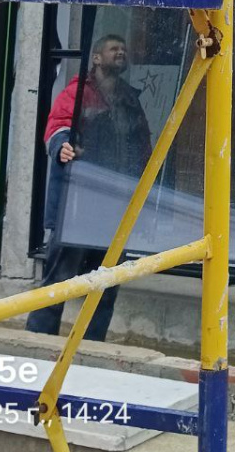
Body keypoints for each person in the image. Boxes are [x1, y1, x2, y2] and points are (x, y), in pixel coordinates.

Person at [26, 33, 152, 341]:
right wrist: (62, 147)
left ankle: (93, 344)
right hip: (76, 207)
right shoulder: (76, 93)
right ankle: (38, 339)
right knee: (58, 281)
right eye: (113, 49)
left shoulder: (129, 99)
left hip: (113, 207)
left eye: (123, 49)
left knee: (107, 284)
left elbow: (142, 146)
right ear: (96, 58)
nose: (120, 52)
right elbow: (57, 127)